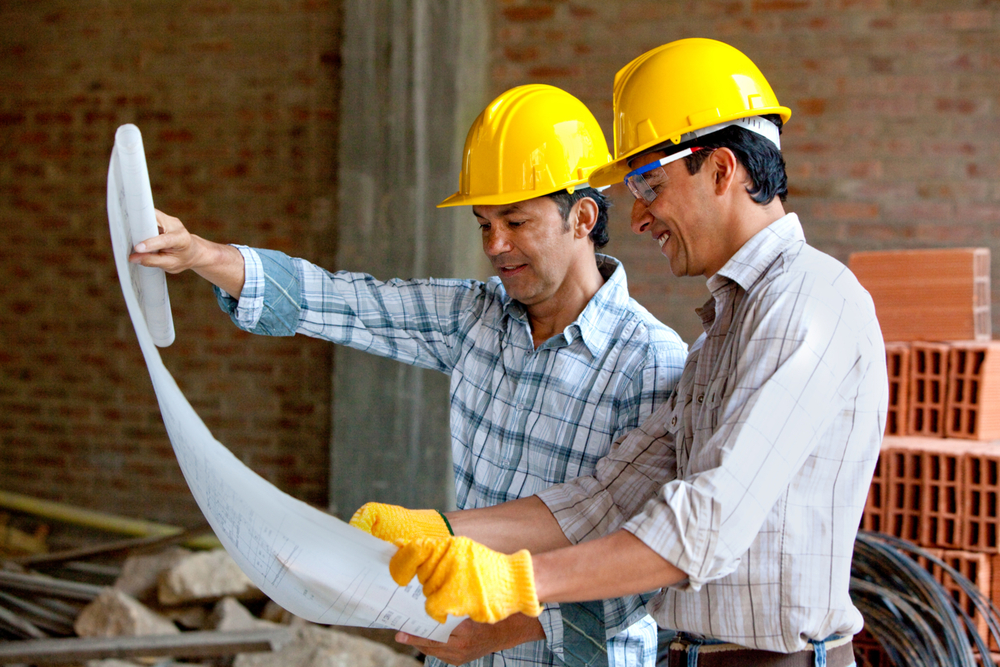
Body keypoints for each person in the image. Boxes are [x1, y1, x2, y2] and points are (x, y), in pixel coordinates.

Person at [129, 84, 688, 667]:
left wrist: (505, 628)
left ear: (583, 217)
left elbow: (649, 568)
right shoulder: (474, 318)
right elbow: (343, 302)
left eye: (516, 222)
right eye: (483, 224)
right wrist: (202, 255)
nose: (495, 246)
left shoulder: (649, 362)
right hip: (462, 648)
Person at [373, 38, 888, 667]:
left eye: (649, 182)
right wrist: (442, 532)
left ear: (723, 169)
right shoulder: (724, 333)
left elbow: (706, 523)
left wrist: (518, 585)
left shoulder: (809, 300)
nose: (639, 217)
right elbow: (605, 498)